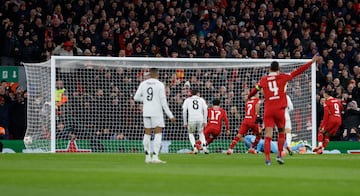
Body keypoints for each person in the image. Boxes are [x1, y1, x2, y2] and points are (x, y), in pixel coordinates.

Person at [247, 54, 319, 165]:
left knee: (268, 135)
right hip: (280, 111)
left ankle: (267, 159)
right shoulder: (283, 77)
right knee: (281, 133)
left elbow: (254, 91)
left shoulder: (263, 80)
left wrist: (248, 97)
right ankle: (279, 156)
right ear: (278, 69)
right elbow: (298, 71)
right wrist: (311, 61)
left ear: (269, 69)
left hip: (268, 111)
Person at [134, 68, 175, 163]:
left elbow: (136, 98)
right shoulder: (160, 84)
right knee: (158, 134)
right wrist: (170, 115)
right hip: (157, 112)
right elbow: (163, 102)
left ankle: (147, 157)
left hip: (146, 112)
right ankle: (155, 157)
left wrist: (146, 100)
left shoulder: (143, 84)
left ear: (149, 74)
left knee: (147, 133)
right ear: (157, 74)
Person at [313, 89, 343, 154]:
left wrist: (323, 125)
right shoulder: (337, 101)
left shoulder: (327, 102)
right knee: (327, 134)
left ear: (326, 94)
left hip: (332, 119)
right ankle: (321, 150)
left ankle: (320, 146)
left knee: (321, 130)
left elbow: (326, 115)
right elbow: (341, 108)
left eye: (324, 95)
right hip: (339, 119)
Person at [182, 89, 208, 154]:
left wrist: (185, 122)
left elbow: (184, 111)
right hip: (200, 119)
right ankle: (204, 147)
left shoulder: (187, 100)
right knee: (201, 133)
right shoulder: (201, 99)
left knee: (191, 133)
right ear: (197, 93)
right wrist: (205, 121)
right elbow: (205, 109)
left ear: (191, 93)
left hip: (191, 119)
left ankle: (194, 148)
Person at [243, 135, 310, 155]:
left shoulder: (247, 138)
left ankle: (301, 146)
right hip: (269, 146)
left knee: (284, 151)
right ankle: (301, 145)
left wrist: (257, 151)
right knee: (286, 150)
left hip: (270, 145)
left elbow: (260, 142)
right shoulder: (246, 142)